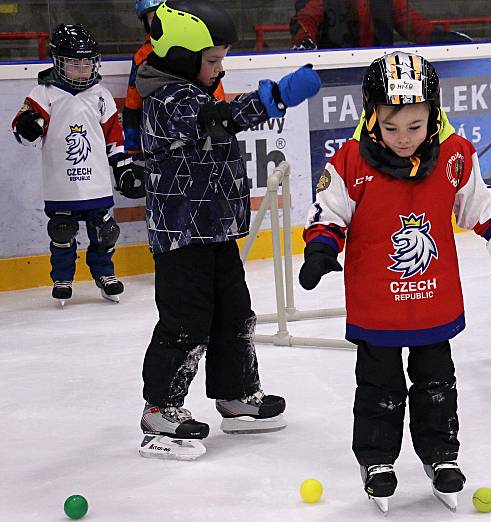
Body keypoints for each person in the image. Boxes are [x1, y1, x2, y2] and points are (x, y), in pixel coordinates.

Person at [298, 51, 491, 510]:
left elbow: (478, 203)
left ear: (433, 115)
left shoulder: (453, 156)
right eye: (390, 128)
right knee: (379, 384)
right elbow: (328, 211)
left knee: (437, 379)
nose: (403, 139)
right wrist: (320, 249)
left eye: (414, 127)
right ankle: (377, 458)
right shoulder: (351, 161)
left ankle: (441, 454)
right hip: (376, 299)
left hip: (433, 297)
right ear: (370, 116)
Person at [134, 0, 321, 458]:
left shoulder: (195, 91)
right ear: (180, 56)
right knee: (185, 322)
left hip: (214, 230)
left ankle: (236, 395)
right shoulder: (165, 100)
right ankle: (160, 407)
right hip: (181, 236)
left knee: (235, 315)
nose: (220, 69)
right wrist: (275, 97)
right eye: (212, 60)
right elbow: (221, 120)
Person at [11, 24, 127, 305]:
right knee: (62, 231)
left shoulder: (101, 95)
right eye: (75, 64)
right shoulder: (44, 94)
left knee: (105, 231)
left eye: (87, 63)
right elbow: (23, 133)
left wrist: (122, 166)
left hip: (95, 182)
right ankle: (63, 277)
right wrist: (26, 128)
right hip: (61, 184)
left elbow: (114, 137)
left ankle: (104, 274)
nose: (82, 69)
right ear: (58, 63)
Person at [118, 0, 229, 200]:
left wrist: (222, 125)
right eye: (155, 19)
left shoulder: (200, 52)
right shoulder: (143, 56)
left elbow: (217, 98)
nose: (161, 25)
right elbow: (133, 107)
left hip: (203, 144)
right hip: (165, 148)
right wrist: (134, 152)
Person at [290, 0, 471, 50]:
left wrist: (442, 38)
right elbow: (306, 18)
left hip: (380, 71)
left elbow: (411, 23)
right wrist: (304, 39)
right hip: (336, 72)